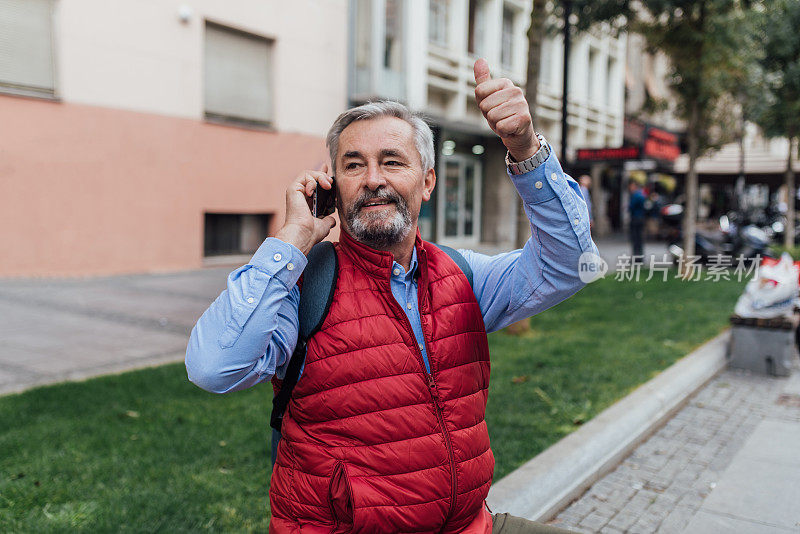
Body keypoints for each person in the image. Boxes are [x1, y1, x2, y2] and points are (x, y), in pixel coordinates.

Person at [185, 59, 596, 533]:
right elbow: (213, 367)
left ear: (427, 182)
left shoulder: (462, 277)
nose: (373, 179)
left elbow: (572, 264)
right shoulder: (301, 291)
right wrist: (293, 239)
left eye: (393, 161)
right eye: (353, 165)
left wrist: (526, 150)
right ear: (332, 186)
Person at [628, 180, 646, 258]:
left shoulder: (636, 195)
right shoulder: (641, 195)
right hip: (640, 218)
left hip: (636, 218)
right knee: (639, 239)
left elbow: (631, 206)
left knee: (636, 239)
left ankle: (636, 256)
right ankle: (639, 256)